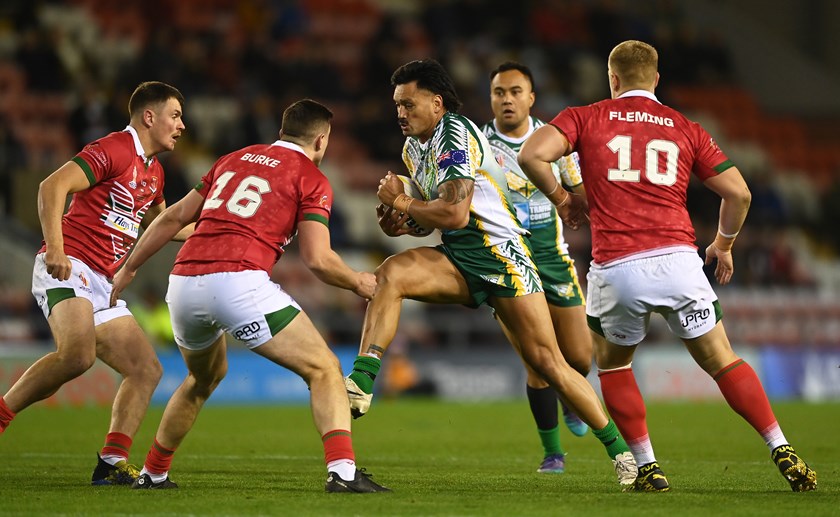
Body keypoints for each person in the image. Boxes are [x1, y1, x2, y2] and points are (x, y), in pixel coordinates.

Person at [518, 40, 817, 493]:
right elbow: (739, 193)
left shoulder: (586, 116)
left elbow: (531, 155)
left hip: (617, 267)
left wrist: (564, 201)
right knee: (722, 359)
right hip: (679, 261)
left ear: (612, 78)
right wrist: (724, 244)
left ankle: (647, 466)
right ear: (657, 79)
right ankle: (780, 445)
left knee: (615, 367)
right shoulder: (685, 126)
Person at [344, 59, 636, 487]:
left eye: (408, 104)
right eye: (396, 106)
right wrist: (402, 224)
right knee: (392, 273)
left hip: (503, 258)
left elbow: (457, 212)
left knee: (551, 364)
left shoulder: (455, 133)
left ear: (436, 101)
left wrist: (403, 203)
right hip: (460, 257)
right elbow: (434, 218)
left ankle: (623, 455)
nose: (400, 113)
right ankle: (362, 382)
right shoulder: (414, 149)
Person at [108, 99, 390, 493]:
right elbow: (318, 259)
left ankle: (153, 473)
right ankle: (343, 473)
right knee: (324, 368)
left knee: (202, 378)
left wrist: (130, 267)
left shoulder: (232, 158)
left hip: (184, 282)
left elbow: (173, 218)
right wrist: (359, 283)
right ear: (322, 139)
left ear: (283, 129)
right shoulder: (310, 176)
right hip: (238, 281)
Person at [0, 81, 187, 486]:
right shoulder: (116, 148)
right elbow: (51, 186)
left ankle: (111, 462)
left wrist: (225, 230)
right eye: (175, 115)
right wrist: (55, 247)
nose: (182, 125)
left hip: (103, 281)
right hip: (70, 266)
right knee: (77, 355)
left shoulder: (154, 173)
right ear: (149, 117)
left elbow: (165, 224)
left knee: (146, 369)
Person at [481, 61, 591, 475]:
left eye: (514, 91)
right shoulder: (478, 143)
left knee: (579, 358)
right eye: (498, 92)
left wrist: (576, 199)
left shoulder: (556, 142)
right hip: (508, 263)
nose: (506, 99)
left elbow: (579, 192)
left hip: (553, 259)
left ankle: (571, 394)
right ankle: (553, 453)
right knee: (538, 363)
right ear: (491, 97)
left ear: (531, 97)